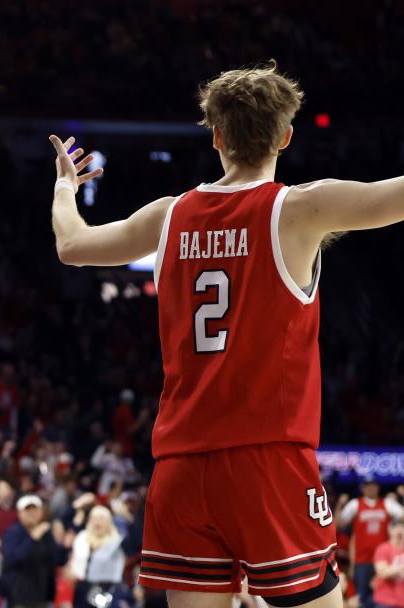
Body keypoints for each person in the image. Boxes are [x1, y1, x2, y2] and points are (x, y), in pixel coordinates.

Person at [49, 60, 404, 608]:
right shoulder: (299, 208)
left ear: (216, 136)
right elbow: (393, 197)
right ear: (285, 136)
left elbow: (72, 246)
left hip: (182, 466)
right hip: (267, 460)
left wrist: (66, 188)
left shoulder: (168, 216)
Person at [339, 476, 404, 608]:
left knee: (384, 595)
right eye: (368, 485)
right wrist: (340, 504)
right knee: (361, 598)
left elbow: (402, 517)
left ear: (378, 487)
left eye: (374, 485)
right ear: (362, 488)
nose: (371, 487)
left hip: (385, 561)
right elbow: (340, 524)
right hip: (362, 560)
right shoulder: (355, 504)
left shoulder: (387, 503)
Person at [1, 494, 66, 608]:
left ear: (41, 512)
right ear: (19, 513)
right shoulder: (12, 533)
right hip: (20, 598)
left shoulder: (46, 533)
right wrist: (32, 538)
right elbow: (13, 560)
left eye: (35, 509)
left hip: (43, 596)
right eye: (27, 510)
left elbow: (57, 561)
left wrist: (63, 545)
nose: (32, 513)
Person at [373, 518, 404, 608]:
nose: (399, 530)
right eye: (396, 527)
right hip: (385, 601)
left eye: (401, 527)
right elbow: (383, 572)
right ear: (390, 530)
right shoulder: (383, 548)